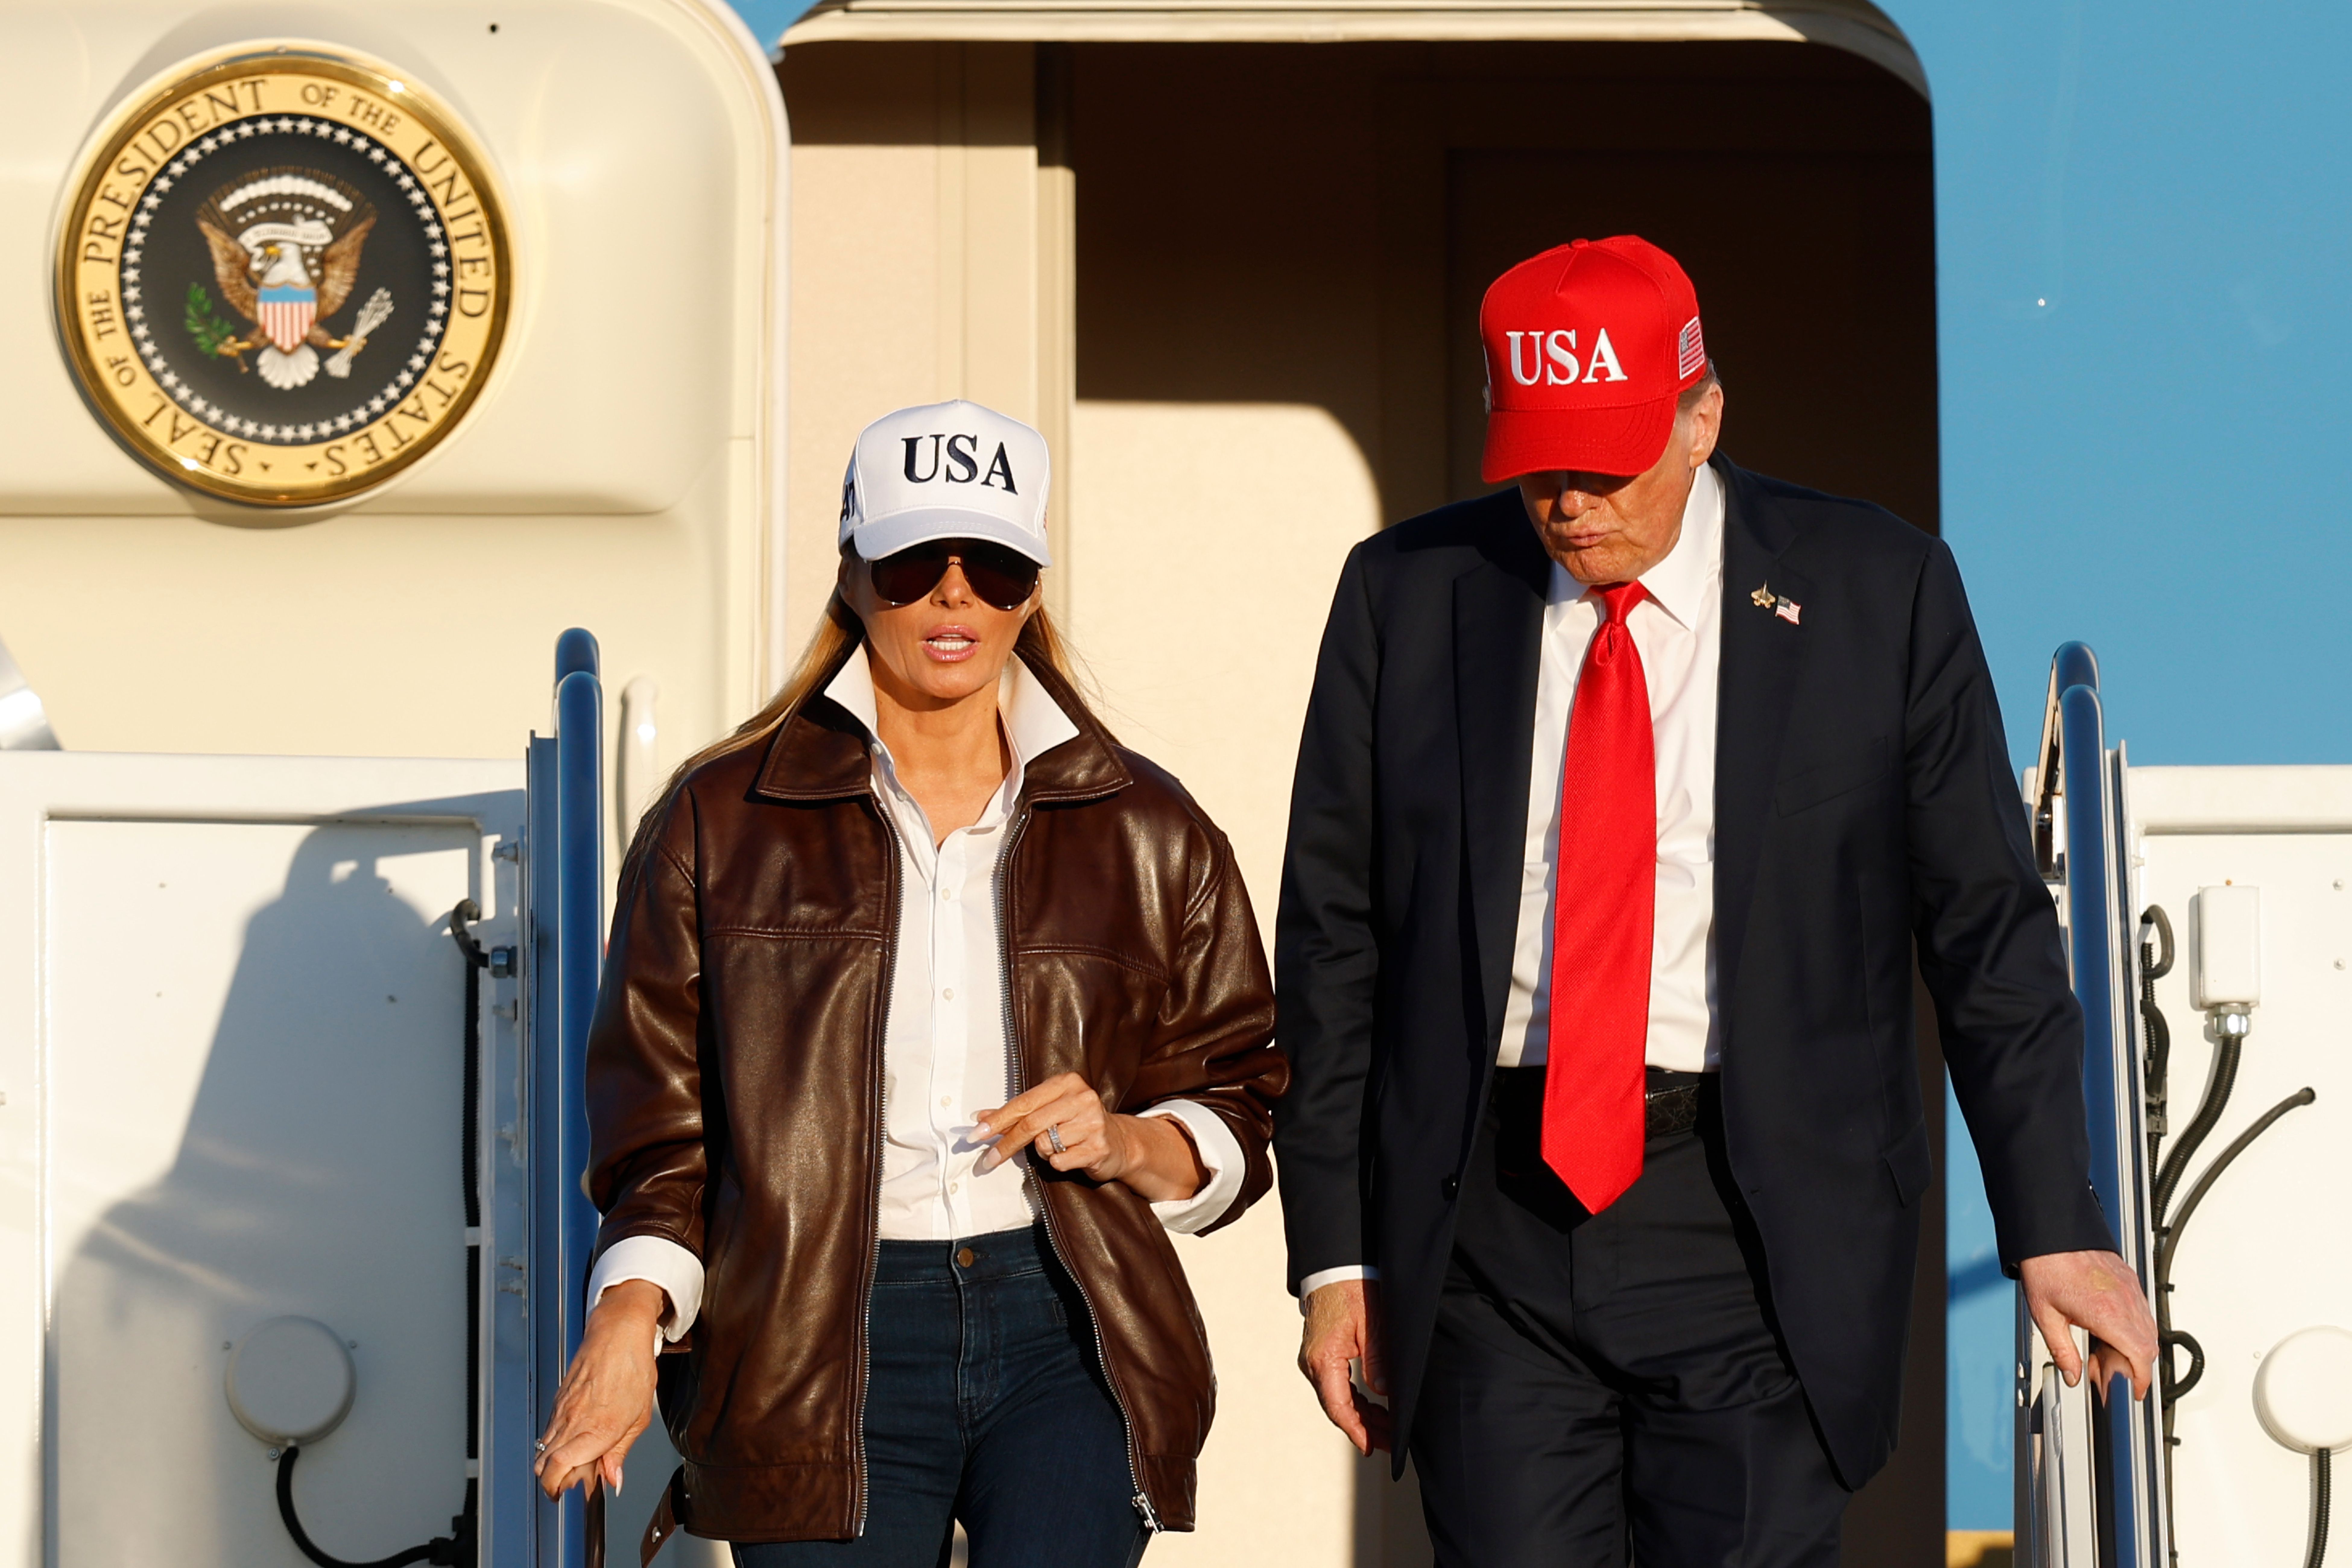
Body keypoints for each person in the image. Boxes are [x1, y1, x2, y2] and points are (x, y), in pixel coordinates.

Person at [1273, 235, 2158, 1563]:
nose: (1570, 503)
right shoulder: (1409, 594)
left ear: (1704, 416)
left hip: (1763, 1221)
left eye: (1607, 459)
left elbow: (1986, 930)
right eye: (1538, 464)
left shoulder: (1878, 589)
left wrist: (2052, 1217)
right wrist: (1333, 1252)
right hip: (1489, 1231)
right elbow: (1335, 936)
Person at [531, 399, 1286, 1567]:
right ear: (852, 573)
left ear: (1030, 587)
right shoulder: (720, 819)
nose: (953, 595)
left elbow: (1239, 1092)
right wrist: (630, 1313)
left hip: (1068, 1326)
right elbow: (657, 1132)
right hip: (813, 1339)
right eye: (911, 562)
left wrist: (1125, 1139)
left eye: (991, 564)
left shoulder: (1149, 826)